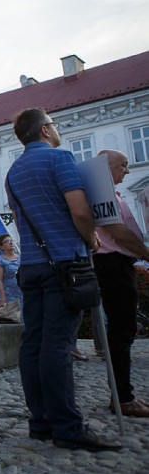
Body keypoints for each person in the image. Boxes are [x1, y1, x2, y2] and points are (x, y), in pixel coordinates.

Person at [5, 108, 120, 451]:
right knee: (58, 345)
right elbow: (81, 210)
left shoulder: (13, 172)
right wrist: (91, 239)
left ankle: (40, 421)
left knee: (34, 343)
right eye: (53, 124)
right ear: (44, 130)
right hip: (65, 263)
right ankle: (68, 427)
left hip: (33, 267)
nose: (56, 129)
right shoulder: (60, 159)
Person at [93, 149, 149, 417]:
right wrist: (146, 253)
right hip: (112, 263)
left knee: (123, 329)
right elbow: (118, 232)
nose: (127, 170)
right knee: (121, 330)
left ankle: (122, 394)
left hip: (118, 263)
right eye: (123, 165)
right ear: (107, 167)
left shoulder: (112, 193)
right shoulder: (102, 193)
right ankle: (122, 397)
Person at [0, 233, 22, 314]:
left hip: (24, 290)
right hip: (11, 293)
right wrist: (2, 297)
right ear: (1, 247)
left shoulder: (21, 257)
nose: (11, 243)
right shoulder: (0, 260)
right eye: (7, 241)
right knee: (15, 316)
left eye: (11, 240)